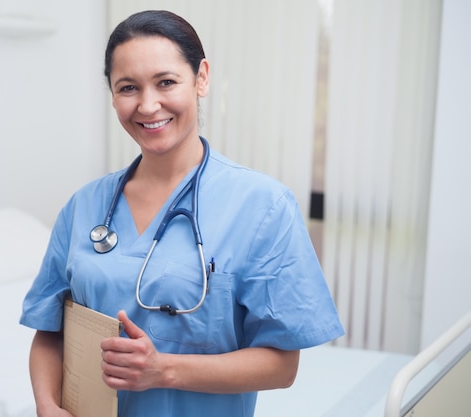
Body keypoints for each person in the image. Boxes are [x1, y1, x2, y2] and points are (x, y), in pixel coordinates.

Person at [20, 9, 344, 417]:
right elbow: (50, 332)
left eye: (166, 82)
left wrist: (163, 371)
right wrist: (47, 406)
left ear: (201, 78)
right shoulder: (84, 207)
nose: (148, 104)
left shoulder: (263, 206)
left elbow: (282, 365)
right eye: (127, 88)